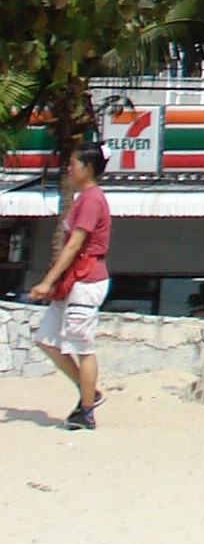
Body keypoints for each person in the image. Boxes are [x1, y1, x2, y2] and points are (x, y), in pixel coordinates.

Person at [28, 139, 111, 429]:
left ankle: (86, 411)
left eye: (74, 164)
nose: (69, 168)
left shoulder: (91, 200)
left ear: (88, 168)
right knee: (46, 340)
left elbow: (75, 244)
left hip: (86, 281)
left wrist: (46, 282)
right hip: (73, 282)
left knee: (82, 346)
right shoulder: (83, 199)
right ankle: (90, 392)